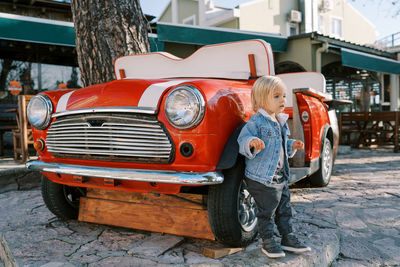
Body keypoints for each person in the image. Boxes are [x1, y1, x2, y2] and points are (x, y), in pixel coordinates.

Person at [237, 75, 311, 258]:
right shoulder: (256, 122)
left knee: (285, 208)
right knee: (267, 211)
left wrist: (291, 145)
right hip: (262, 177)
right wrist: (252, 142)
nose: (283, 100)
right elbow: (242, 140)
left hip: (280, 175)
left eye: (284, 96)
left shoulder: (280, 121)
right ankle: (268, 240)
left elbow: (280, 145)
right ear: (262, 100)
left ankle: (288, 237)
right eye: (276, 96)